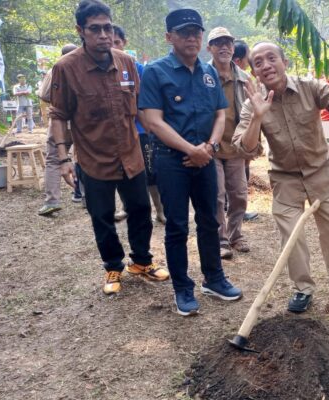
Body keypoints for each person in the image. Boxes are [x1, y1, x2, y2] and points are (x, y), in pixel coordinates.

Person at [233, 41, 329, 313]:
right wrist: (257, 118)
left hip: (321, 172)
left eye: (271, 58)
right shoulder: (254, 103)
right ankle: (302, 289)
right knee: (291, 236)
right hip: (285, 179)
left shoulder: (310, 87)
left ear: (285, 62)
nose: (266, 65)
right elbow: (244, 148)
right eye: (258, 62)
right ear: (254, 72)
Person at [49, 0, 168, 295]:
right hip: (93, 160)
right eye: (95, 29)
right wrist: (63, 159)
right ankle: (113, 267)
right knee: (101, 215)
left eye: (107, 28)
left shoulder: (126, 63)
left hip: (131, 154)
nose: (103, 34)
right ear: (81, 30)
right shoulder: (66, 68)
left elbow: (141, 108)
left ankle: (141, 262)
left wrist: (161, 134)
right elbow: (58, 116)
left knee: (140, 209)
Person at [140, 8, 242, 316]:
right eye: (184, 33)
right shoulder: (156, 72)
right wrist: (190, 149)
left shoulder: (209, 72)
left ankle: (214, 278)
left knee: (210, 219)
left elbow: (220, 114)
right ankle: (183, 288)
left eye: (197, 32)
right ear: (169, 37)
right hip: (172, 161)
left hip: (206, 157)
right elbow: (152, 121)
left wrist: (208, 147)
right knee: (177, 226)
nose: (192, 38)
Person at [111, 24, 165, 224]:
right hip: (117, 133)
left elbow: (146, 100)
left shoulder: (138, 68)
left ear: (124, 43)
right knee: (122, 172)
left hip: (141, 130)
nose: (114, 46)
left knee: (150, 171)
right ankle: (127, 206)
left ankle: (160, 210)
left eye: (118, 42)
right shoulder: (102, 71)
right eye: (111, 42)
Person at [206, 26, 252, 259]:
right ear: (209, 48)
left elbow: (255, 110)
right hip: (211, 146)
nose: (224, 47)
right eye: (218, 43)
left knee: (239, 195)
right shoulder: (202, 76)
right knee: (217, 195)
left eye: (228, 43)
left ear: (233, 48)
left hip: (236, 147)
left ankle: (236, 236)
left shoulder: (244, 79)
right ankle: (221, 240)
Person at [37, 43, 78, 217]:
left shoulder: (55, 69)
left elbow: (44, 94)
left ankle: (52, 201)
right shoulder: (83, 67)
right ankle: (83, 195)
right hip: (80, 120)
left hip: (60, 120)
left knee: (53, 159)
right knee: (83, 156)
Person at [233, 38, 260, 222]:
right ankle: (238, 210)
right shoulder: (242, 79)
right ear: (238, 61)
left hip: (246, 133)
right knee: (239, 175)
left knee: (242, 172)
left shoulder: (244, 78)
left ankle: (239, 209)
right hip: (238, 135)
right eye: (246, 59)